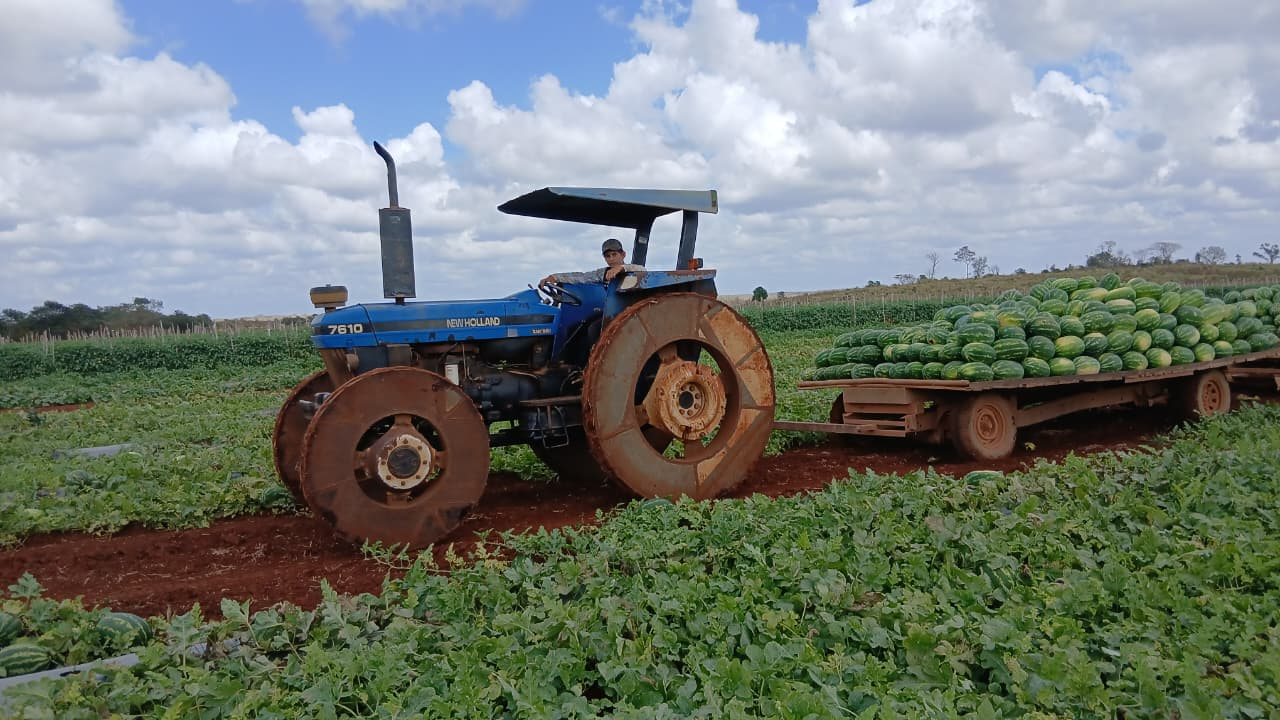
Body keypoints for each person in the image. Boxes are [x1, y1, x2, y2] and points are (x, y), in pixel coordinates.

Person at [540, 238, 643, 286]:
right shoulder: (603, 274)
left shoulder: (632, 271)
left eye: (614, 254)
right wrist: (555, 277)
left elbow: (642, 270)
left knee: (594, 329)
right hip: (611, 311)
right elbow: (582, 277)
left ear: (623, 254)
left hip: (631, 314)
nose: (611, 259)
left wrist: (621, 268)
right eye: (608, 256)